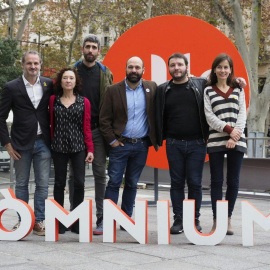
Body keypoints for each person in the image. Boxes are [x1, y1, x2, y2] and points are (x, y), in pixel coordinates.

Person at [155, 53, 246, 234]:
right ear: (169, 68)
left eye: (180, 64)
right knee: (177, 183)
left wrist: (239, 81)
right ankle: (179, 219)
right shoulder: (163, 89)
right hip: (174, 143)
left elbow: (238, 105)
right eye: (173, 65)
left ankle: (194, 220)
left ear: (187, 67)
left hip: (197, 143)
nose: (176, 68)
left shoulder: (199, 85)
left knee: (196, 183)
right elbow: (156, 113)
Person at [99, 56, 157, 232]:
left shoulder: (151, 88)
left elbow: (170, 90)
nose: (134, 70)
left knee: (132, 183)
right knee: (114, 182)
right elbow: (104, 119)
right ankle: (106, 220)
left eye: (137, 67)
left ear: (143, 70)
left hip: (140, 146)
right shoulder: (113, 90)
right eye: (130, 67)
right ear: (125, 69)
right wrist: (113, 141)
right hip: (120, 145)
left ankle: (125, 218)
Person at [0, 50, 53, 236]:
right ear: (22, 64)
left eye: (36, 63)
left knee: (43, 184)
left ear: (40, 65)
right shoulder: (11, 87)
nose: (33, 67)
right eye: (29, 63)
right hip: (20, 145)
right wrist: (7, 144)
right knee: (21, 184)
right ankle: (23, 222)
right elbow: (1, 117)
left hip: (44, 143)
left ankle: (38, 221)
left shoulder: (49, 84)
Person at [72, 34, 113, 235]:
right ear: (82, 48)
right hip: (74, 130)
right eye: (87, 46)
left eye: (94, 47)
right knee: (75, 176)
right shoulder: (72, 71)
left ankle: (102, 218)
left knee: (99, 174)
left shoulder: (105, 73)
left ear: (99, 50)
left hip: (97, 130)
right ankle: (74, 218)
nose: (90, 50)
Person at [204, 53, 247, 235]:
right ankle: (217, 219)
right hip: (216, 141)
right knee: (216, 182)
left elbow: (242, 114)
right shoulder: (208, 90)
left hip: (236, 141)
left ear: (231, 70)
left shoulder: (238, 89)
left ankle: (228, 219)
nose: (223, 70)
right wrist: (229, 131)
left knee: (233, 181)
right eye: (220, 67)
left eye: (226, 67)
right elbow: (209, 117)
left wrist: (234, 136)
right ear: (214, 69)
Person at [49, 67, 94, 234]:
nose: (68, 80)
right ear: (60, 81)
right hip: (58, 147)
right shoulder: (53, 100)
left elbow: (87, 127)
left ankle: (77, 221)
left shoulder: (84, 102)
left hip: (78, 148)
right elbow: (50, 123)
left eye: (71, 78)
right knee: (59, 183)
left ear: (76, 82)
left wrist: (90, 149)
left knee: (79, 183)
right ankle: (60, 221)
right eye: (65, 78)